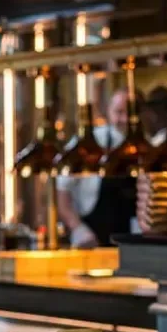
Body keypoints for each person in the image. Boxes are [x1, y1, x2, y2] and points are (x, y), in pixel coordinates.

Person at [56, 88, 129, 248]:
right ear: (108, 112)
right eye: (119, 112)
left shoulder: (147, 148)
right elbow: (62, 192)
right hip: (93, 241)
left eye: (130, 112)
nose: (125, 118)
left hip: (132, 245)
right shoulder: (90, 144)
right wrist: (78, 229)